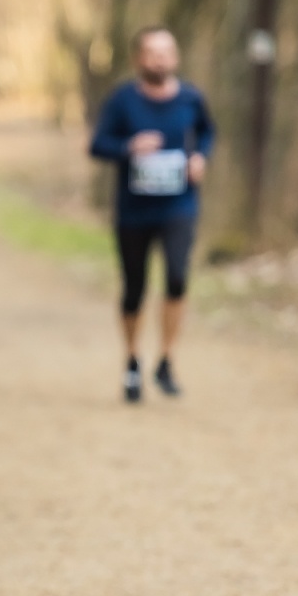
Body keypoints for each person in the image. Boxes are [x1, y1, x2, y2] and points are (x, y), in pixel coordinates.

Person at [88, 27, 215, 402]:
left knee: (177, 278)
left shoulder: (192, 98)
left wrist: (200, 158)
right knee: (134, 288)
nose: (160, 59)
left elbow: (208, 133)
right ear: (139, 59)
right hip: (134, 211)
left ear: (175, 57)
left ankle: (166, 359)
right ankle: (131, 361)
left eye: (166, 52)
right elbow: (97, 145)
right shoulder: (122, 100)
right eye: (152, 53)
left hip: (179, 205)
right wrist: (129, 147)